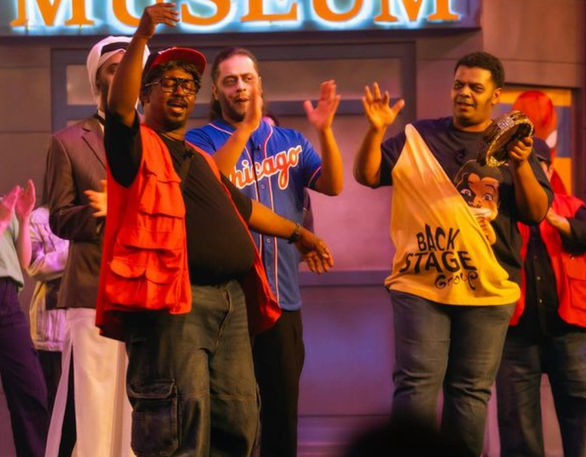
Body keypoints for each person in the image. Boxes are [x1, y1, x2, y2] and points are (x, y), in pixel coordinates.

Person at [97, 4, 333, 457]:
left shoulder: (201, 158)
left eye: (188, 85)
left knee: (238, 423)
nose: (181, 91)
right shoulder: (135, 145)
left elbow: (245, 209)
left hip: (230, 302)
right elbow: (119, 109)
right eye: (168, 82)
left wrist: (299, 234)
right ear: (145, 94)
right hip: (175, 304)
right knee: (180, 427)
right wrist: (142, 36)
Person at [352, 51, 553, 456]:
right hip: (421, 284)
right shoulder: (418, 137)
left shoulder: (516, 146)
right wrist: (375, 131)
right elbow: (368, 175)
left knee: (470, 392)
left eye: (475, 87)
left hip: (488, 288)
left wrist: (520, 165)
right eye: (459, 84)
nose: (464, 93)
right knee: (416, 385)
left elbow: (535, 213)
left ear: (494, 95)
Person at [186, 48, 343, 457]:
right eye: (230, 81)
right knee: (230, 418)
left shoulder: (290, 141)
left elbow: (332, 185)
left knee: (280, 416)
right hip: (227, 302)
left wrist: (325, 132)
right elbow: (213, 187)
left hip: (282, 298)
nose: (240, 87)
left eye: (247, 79)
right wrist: (243, 130)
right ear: (216, 92)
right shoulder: (199, 140)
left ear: (260, 84)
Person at [44, 35, 145, 457]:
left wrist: (123, 206)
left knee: (141, 410)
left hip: (148, 289)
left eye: (130, 69)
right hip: (92, 290)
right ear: (97, 80)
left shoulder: (156, 139)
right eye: (113, 69)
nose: (123, 77)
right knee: (95, 407)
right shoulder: (68, 141)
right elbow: (59, 217)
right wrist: (101, 213)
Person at [495, 139, 586, 457]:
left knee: (580, 415)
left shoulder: (571, 205)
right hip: (516, 333)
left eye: (535, 164)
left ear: (550, 169)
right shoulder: (502, 211)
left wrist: (556, 219)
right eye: (519, 165)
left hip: (569, 330)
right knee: (517, 424)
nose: (527, 170)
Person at [0, 180, 50, 457]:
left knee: (31, 392)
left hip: (7, 299)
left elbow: (24, 260)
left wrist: (23, 217)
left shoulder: (3, 204)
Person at [25, 205, 69, 412]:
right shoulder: (39, 218)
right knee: (51, 404)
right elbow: (35, 265)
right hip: (52, 329)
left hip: (86, 324)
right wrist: (76, 254)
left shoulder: (90, 214)